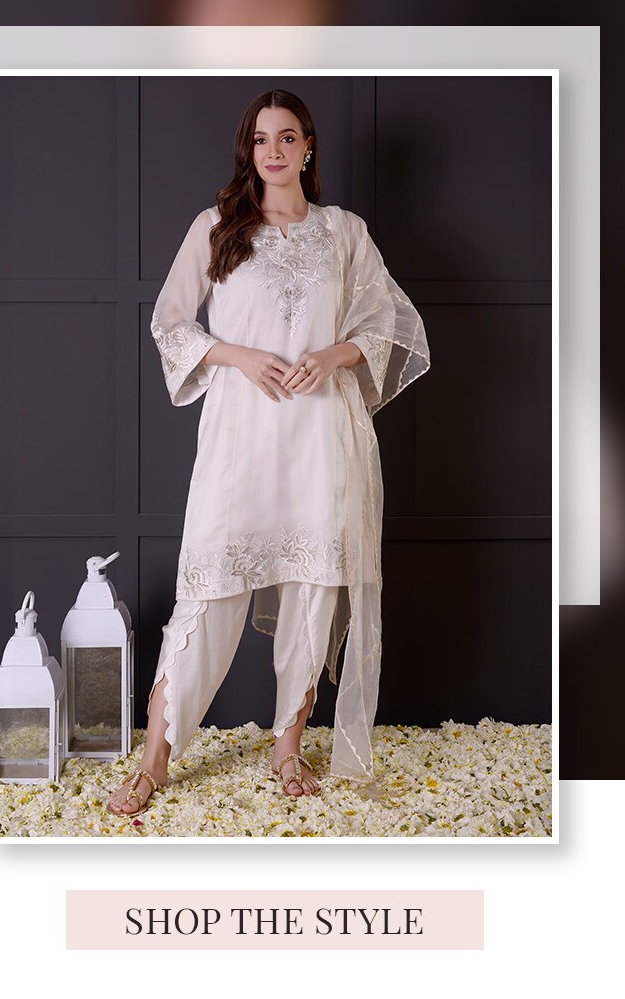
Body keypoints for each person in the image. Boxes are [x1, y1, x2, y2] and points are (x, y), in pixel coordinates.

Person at [108, 89, 430, 816]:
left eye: (288, 137)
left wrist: (334, 355)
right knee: (209, 586)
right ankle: (155, 757)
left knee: (315, 587)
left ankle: (288, 748)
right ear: (247, 150)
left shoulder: (343, 232)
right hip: (240, 436)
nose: (274, 151)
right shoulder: (217, 226)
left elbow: (386, 324)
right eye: (261, 139)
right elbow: (169, 323)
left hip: (322, 435)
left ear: (308, 147)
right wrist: (239, 356)